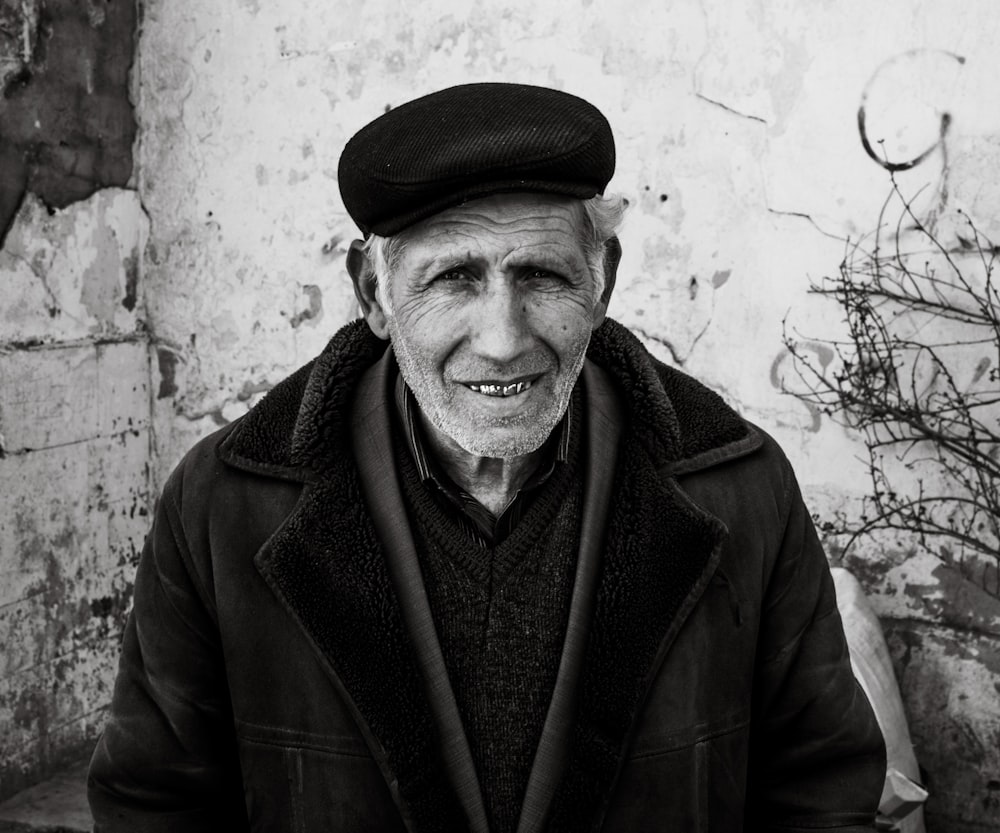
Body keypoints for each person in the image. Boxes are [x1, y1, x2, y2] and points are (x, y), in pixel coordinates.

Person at [87, 82, 886, 832]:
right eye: (453, 278)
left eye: (540, 273)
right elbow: (156, 802)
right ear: (373, 292)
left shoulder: (740, 490)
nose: (503, 340)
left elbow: (821, 787)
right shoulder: (224, 506)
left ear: (602, 281)